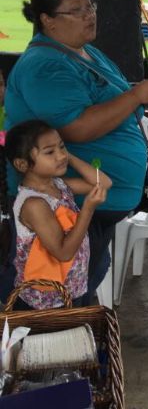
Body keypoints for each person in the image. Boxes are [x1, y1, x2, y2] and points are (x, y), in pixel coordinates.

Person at [4, 0, 148, 303]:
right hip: (64, 202)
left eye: (90, 6)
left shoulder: (85, 52)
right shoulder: (44, 66)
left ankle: (77, 329)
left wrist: (139, 94)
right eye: (76, 10)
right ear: (48, 20)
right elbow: (77, 127)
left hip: (95, 199)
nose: (89, 14)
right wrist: (136, 96)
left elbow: (112, 98)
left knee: (80, 282)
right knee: (53, 292)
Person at [3, 120, 111, 309]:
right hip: (45, 301)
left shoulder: (59, 185)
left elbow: (103, 183)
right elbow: (63, 253)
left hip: (69, 289)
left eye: (62, 147)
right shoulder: (34, 204)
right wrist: (88, 209)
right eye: (49, 152)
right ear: (22, 164)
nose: (60, 155)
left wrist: (68, 157)